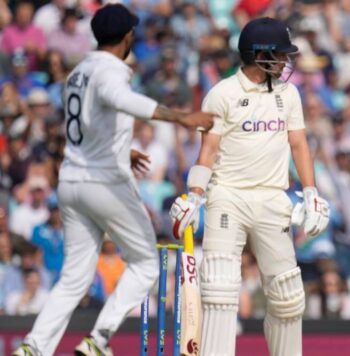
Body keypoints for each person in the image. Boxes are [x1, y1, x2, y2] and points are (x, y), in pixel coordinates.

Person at [12, 4, 214, 356]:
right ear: (127, 36)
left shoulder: (79, 72)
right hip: (103, 182)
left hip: (72, 182)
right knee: (147, 262)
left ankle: (32, 347)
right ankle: (99, 339)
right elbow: (121, 99)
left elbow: (91, 121)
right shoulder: (112, 70)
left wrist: (123, 151)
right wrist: (181, 117)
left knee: (73, 279)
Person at [169, 17, 330, 356]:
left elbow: (299, 144)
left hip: (273, 198)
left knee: (288, 296)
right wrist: (195, 196)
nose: (286, 62)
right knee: (220, 290)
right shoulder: (222, 94)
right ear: (260, 55)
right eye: (281, 55)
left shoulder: (289, 94)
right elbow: (208, 150)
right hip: (228, 196)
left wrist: (312, 192)